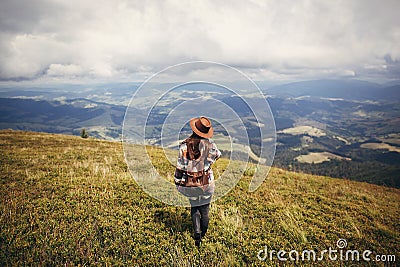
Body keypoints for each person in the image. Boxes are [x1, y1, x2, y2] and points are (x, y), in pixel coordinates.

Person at [174, 116, 221, 247]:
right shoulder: (210, 145)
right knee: (205, 209)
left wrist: (177, 182)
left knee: (195, 207)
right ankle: (203, 234)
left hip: (191, 184)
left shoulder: (184, 146)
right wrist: (208, 164)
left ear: (194, 129)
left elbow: (180, 167)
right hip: (207, 183)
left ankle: (197, 233)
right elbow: (218, 154)